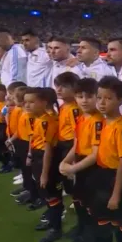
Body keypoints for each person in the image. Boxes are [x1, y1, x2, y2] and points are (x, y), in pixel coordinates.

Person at [89, 76, 122, 242]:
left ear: (121, 100)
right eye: (99, 98)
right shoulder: (104, 122)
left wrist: (116, 194)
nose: (102, 102)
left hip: (115, 178)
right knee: (102, 217)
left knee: (121, 222)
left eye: (108, 98)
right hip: (102, 174)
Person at [59, 77, 104, 242]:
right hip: (80, 164)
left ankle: (95, 240)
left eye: (89, 96)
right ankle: (83, 230)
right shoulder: (81, 117)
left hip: (93, 168)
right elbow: (76, 144)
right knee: (79, 200)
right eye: (80, 96)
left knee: (93, 206)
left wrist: (72, 168)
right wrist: (66, 161)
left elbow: (95, 154)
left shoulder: (98, 120)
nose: (84, 100)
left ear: (97, 97)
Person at [24, 87, 63, 242]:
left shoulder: (47, 121)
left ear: (43, 103)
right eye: (26, 102)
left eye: (32, 102)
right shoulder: (38, 119)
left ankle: (56, 228)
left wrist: (45, 173)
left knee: (51, 194)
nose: (27, 105)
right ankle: (52, 221)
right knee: (46, 194)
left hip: (46, 161)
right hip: (38, 158)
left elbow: (48, 150)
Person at [53, 72, 82, 224]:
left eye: (63, 87)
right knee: (68, 181)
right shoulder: (64, 105)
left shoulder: (74, 108)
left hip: (71, 146)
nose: (59, 89)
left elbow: (78, 134)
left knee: (74, 180)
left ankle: (80, 208)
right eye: (57, 86)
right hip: (64, 144)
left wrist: (70, 158)